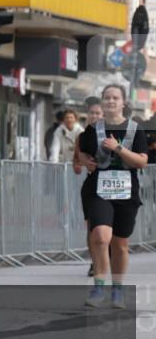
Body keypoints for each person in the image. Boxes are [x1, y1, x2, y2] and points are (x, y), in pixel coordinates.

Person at [77, 84, 148, 309]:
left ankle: (117, 289)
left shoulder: (135, 129)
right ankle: (99, 286)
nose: (110, 101)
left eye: (115, 98)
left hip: (126, 192)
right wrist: (83, 158)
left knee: (120, 244)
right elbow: (80, 146)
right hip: (99, 190)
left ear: (123, 102)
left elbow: (142, 161)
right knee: (100, 236)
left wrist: (118, 149)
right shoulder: (93, 129)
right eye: (107, 98)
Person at [75, 96, 104, 277]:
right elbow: (76, 163)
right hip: (91, 185)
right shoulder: (82, 136)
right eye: (91, 113)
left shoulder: (112, 133)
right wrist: (84, 161)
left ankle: (105, 257)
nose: (94, 116)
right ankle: (94, 262)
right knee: (92, 227)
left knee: (108, 229)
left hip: (112, 186)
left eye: (98, 113)